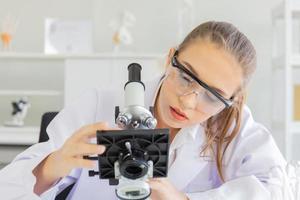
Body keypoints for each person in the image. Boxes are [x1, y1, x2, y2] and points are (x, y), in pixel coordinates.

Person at [0, 21, 292, 200]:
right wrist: (54, 165)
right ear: (169, 59)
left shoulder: (233, 127)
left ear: (232, 100)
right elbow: (7, 189)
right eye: (186, 77)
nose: (188, 101)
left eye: (212, 96)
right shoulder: (98, 104)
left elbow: (281, 190)